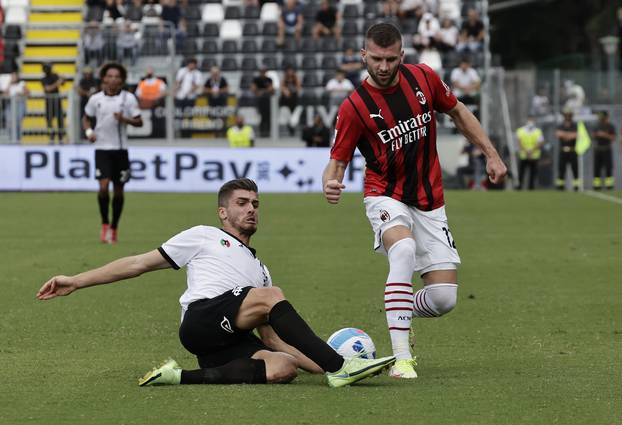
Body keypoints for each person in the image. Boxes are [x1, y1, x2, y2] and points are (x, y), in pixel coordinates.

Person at [36, 178, 396, 388]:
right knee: (270, 297)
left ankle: (179, 377)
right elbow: (138, 263)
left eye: (255, 203)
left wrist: (318, 365)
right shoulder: (204, 236)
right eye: (242, 203)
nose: (251, 209)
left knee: (283, 367)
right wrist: (77, 281)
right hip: (202, 319)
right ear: (223, 212)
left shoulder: (261, 270)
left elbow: (272, 338)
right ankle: (340, 368)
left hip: (227, 341)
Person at [322, 22, 506, 379]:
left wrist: (491, 154)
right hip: (384, 194)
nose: (384, 66)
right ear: (364, 56)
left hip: (430, 199)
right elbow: (338, 160)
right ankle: (402, 359)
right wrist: (331, 183)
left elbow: (459, 112)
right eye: (376, 59)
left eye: (391, 59)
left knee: (443, 299)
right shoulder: (354, 107)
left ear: (402, 55)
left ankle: (399, 311)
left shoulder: (424, 78)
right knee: (403, 250)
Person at [83, 63, 143, 244]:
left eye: (117, 77)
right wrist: (88, 133)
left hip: (120, 150)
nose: (113, 80)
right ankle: (104, 224)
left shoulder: (129, 98)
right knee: (103, 187)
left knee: (118, 192)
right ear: (103, 78)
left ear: (122, 80)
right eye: (109, 76)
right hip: (101, 149)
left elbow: (139, 122)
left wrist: (124, 119)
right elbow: (86, 118)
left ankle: (114, 227)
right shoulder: (96, 99)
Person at [174, 58, 203, 137]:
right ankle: (178, 132)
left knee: (189, 115)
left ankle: (187, 133)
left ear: (195, 65)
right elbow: (177, 82)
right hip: (180, 96)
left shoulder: (197, 74)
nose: (191, 65)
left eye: (193, 64)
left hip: (190, 97)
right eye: (190, 63)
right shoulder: (182, 71)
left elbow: (197, 85)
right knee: (179, 115)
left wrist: (189, 92)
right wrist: (175, 91)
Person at [515, 115, 544, 190]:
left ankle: (531, 188)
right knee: (521, 173)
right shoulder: (520, 130)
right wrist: (526, 151)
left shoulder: (538, 131)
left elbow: (540, 142)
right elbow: (519, 142)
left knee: (533, 173)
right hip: (524, 155)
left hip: (534, 156)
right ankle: (519, 187)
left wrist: (531, 150)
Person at [555, 110, 579, 191]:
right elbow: (558, 134)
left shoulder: (575, 125)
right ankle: (560, 186)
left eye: (569, 115)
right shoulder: (560, 125)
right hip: (563, 150)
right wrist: (569, 135)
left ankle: (576, 186)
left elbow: (576, 135)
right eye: (566, 115)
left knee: (575, 169)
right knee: (561, 169)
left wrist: (565, 135)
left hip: (572, 150)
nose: (567, 117)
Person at [592, 110, 617, 190]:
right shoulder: (596, 126)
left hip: (607, 149)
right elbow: (593, 135)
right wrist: (597, 134)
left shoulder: (610, 126)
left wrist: (604, 134)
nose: (601, 119)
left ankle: (609, 185)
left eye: (602, 117)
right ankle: (596, 186)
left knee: (608, 168)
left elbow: (613, 138)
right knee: (597, 168)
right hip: (598, 149)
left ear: (606, 117)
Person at [41, 63, 65, 144]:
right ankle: (51, 138)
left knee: (60, 121)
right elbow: (48, 89)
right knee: (49, 121)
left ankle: (61, 138)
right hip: (49, 102)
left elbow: (63, 83)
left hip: (57, 102)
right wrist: (58, 82)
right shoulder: (43, 79)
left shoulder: (55, 76)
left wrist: (62, 78)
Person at [2, 71, 29, 142]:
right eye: (12, 76)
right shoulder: (9, 85)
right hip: (10, 104)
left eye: (14, 76)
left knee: (17, 122)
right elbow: (5, 94)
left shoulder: (21, 83)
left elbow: (27, 92)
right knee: (9, 121)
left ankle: (17, 139)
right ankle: (11, 138)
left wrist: (20, 94)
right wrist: (9, 83)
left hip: (20, 104)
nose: (13, 77)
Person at [250, 67, 275, 138]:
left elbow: (271, 89)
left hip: (267, 101)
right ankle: (262, 133)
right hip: (259, 101)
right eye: (262, 71)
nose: (263, 73)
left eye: (264, 71)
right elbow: (253, 89)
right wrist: (262, 91)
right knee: (262, 117)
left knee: (268, 117)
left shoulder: (269, 79)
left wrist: (263, 91)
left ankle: (269, 132)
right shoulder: (256, 80)